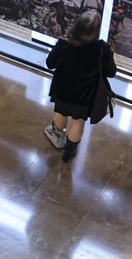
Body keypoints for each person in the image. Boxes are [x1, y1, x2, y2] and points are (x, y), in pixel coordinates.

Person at [44, 10, 116, 162]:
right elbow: (111, 73)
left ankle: (57, 136)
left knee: (61, 112)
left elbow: (50, 64)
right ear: (96, 31)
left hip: (62, 90)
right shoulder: (102, 49)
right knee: (78, 122)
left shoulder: (64, 43)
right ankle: (69, 151)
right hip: (85, 96)